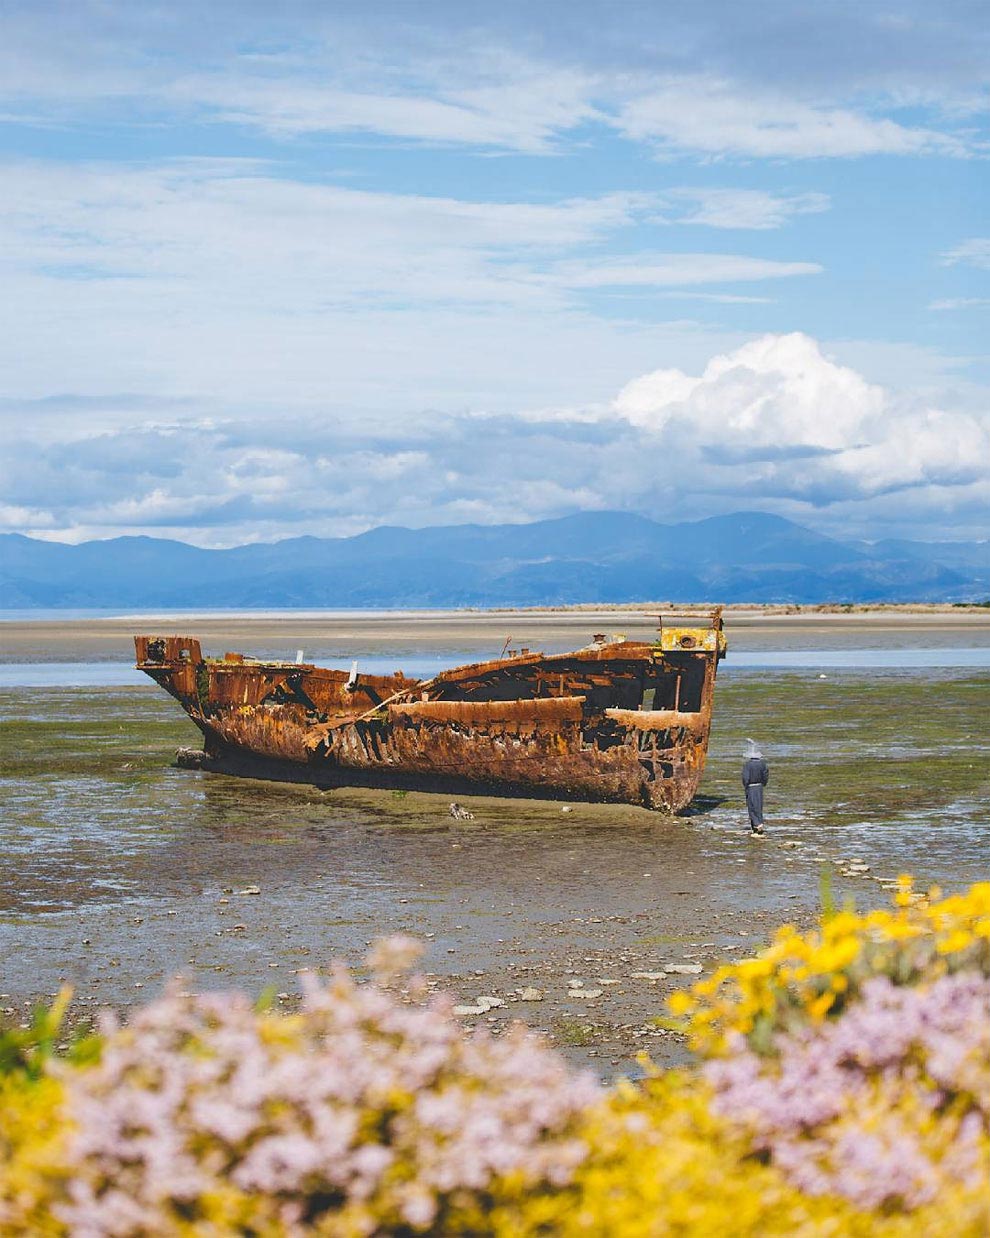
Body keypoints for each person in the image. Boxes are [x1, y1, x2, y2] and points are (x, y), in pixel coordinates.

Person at [742, 738, 770, 835]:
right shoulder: (763, 764)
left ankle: (756, 825)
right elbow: (765, 776)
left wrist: (746, 787)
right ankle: (760, 823)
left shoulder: (748, 765)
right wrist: (763, 784)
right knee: (759, 806)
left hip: (751, 787)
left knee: (752, 806)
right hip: (759, 787)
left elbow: (745, 778)